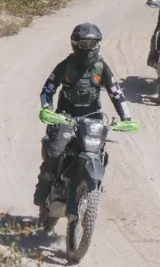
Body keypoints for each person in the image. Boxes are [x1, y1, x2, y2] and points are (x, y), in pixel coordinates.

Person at [33, 22, 130, 207]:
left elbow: (116, 93)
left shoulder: (101, 67)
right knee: (55, 150)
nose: (89, 48)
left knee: (100, 152)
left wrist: (126, 118)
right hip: (64, 117)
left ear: (98, 45)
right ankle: (43, 185)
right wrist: (47, 109)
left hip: (92, 118)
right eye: (85, 44)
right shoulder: (66, 65)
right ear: (75, 44)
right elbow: (47, 90)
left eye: (93, 44)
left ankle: (93, 183)